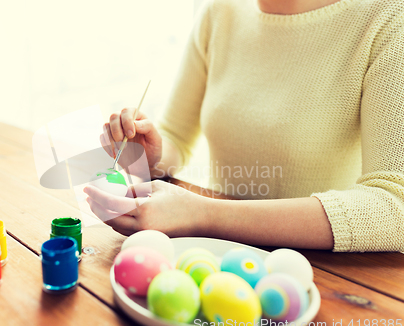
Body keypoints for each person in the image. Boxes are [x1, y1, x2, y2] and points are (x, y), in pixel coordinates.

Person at [84, 0, 404, 252]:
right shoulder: (219, 12)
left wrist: (202, 215)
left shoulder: (386, 18)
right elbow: (177, 136)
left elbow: (394, 208)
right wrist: (151, 154)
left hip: (322, 273)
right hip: (216, 253)